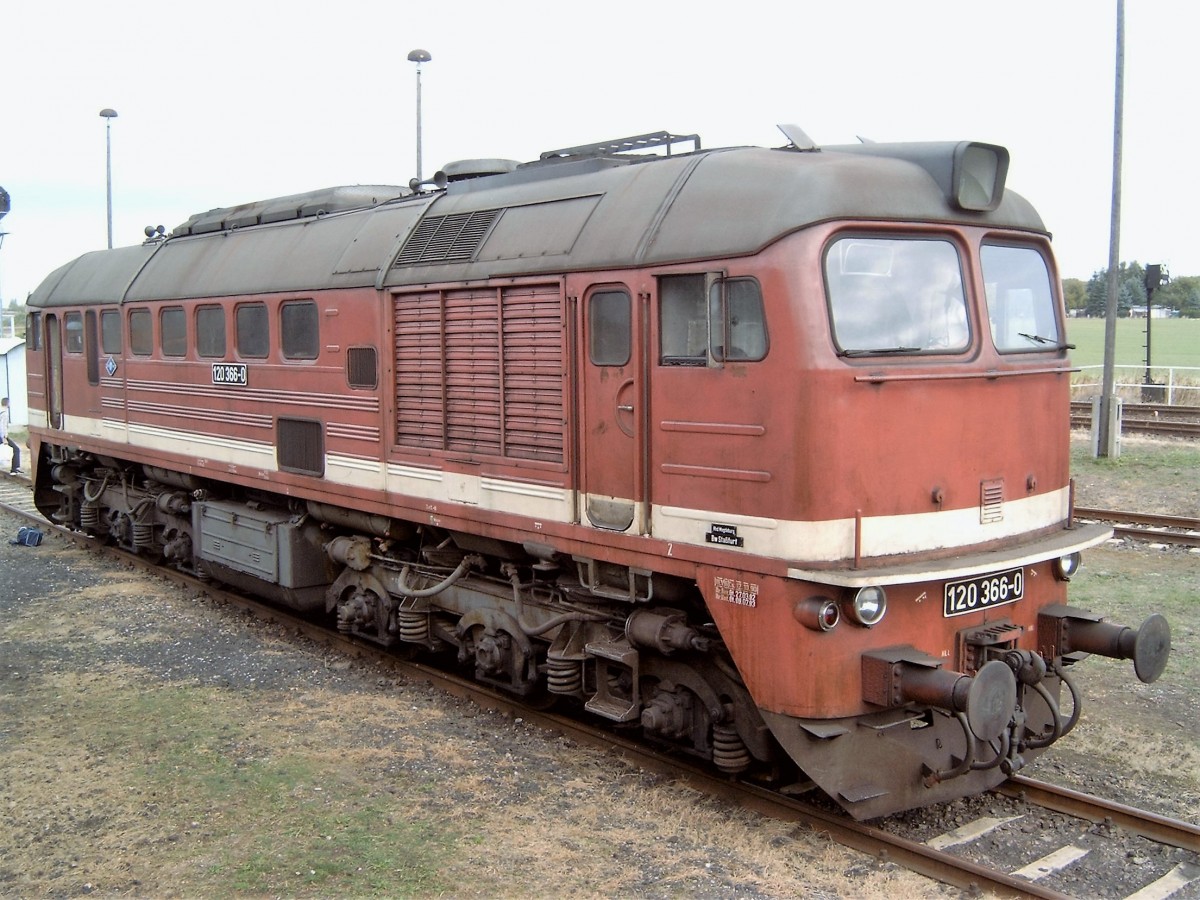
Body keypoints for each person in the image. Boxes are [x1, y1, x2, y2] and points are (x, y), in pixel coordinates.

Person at [1, 397, 20, 474]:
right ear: (7, 403)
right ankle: (14, 469)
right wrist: (4, 437)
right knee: (16, 449)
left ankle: (15, 468)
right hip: (2, 435)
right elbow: (2, 426)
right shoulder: (4, 413)